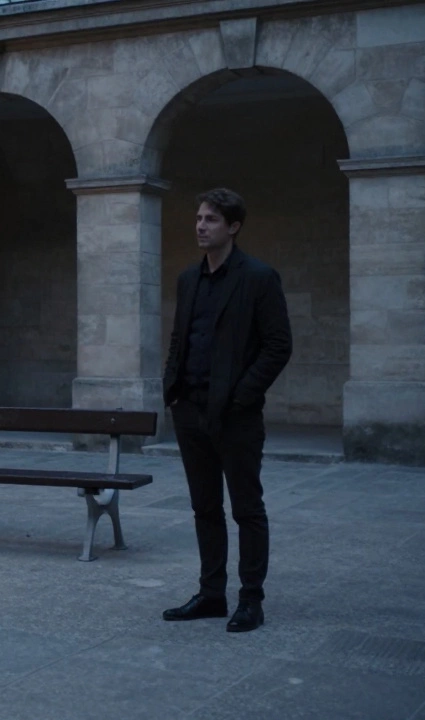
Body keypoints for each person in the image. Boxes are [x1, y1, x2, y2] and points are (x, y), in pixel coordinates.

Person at [160, 188, 291, 633]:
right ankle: (211, 594)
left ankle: (251, 599)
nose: (201, 226)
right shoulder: (188, 279)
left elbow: (278, 346)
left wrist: (241, 395)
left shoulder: (258, 278)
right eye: (199, 218)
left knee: (246, 509)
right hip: (189, 411)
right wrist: (172, 389)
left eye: (211, 219)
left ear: (233, 227)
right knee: (205, 507)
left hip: (236, 415)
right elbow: (179, 338)